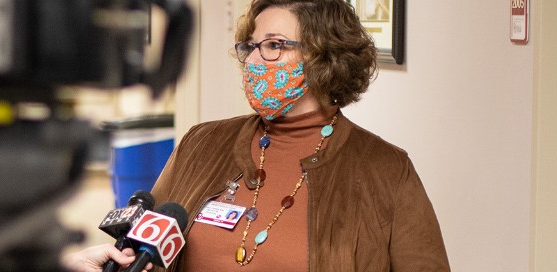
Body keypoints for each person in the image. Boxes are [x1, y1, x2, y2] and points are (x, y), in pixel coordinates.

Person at [66, 0, 449, 271]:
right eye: (250, 46)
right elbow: (145, 250)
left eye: (273, 46)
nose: (250, 61)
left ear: (323, 56)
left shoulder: (386, 169)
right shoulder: (202, 143)